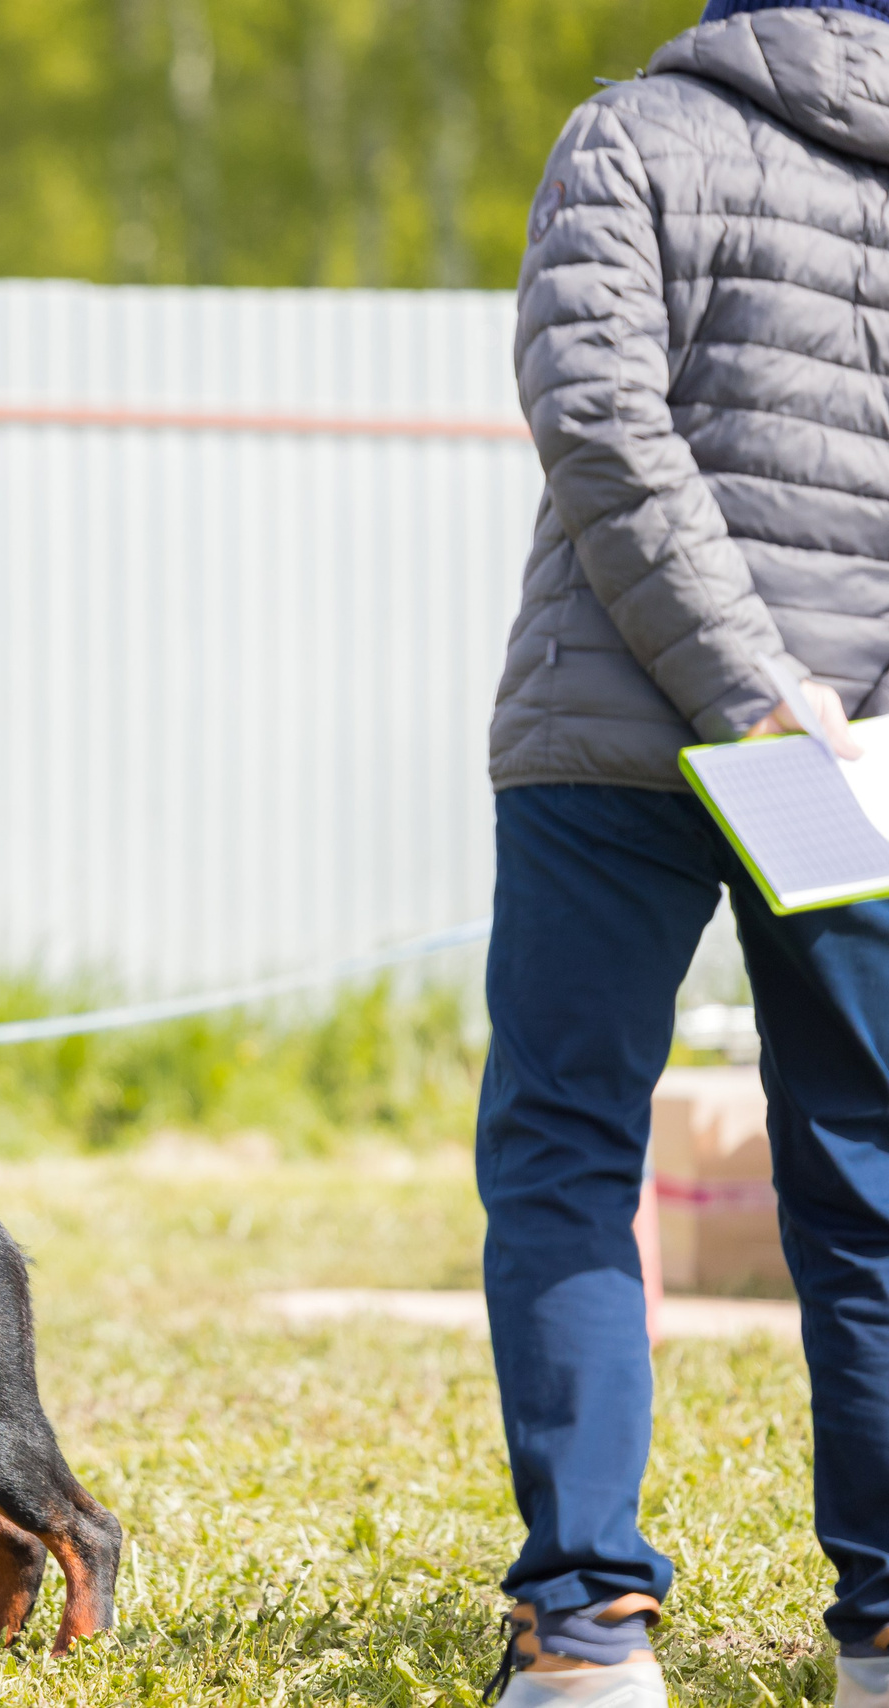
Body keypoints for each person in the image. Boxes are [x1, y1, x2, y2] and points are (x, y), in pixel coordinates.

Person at [478, 3, 889, 1704]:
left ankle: (584, 1641)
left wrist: (745, 690)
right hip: (857, 760)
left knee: (570, 1150)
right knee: (872, 1180)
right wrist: (832, 715)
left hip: (614, 739)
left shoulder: (631, 134)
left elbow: (599, 424)